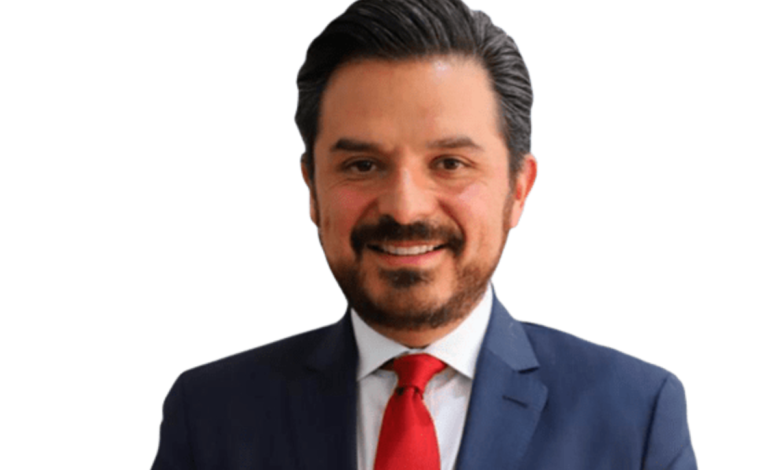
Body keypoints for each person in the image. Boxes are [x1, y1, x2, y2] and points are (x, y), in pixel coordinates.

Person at [150, 1, 697, 469]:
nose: (405, 207)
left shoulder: (637, 416)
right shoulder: (209, 415)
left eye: (450, 163)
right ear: (312, 188)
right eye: (363, 165)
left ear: (518, 189)